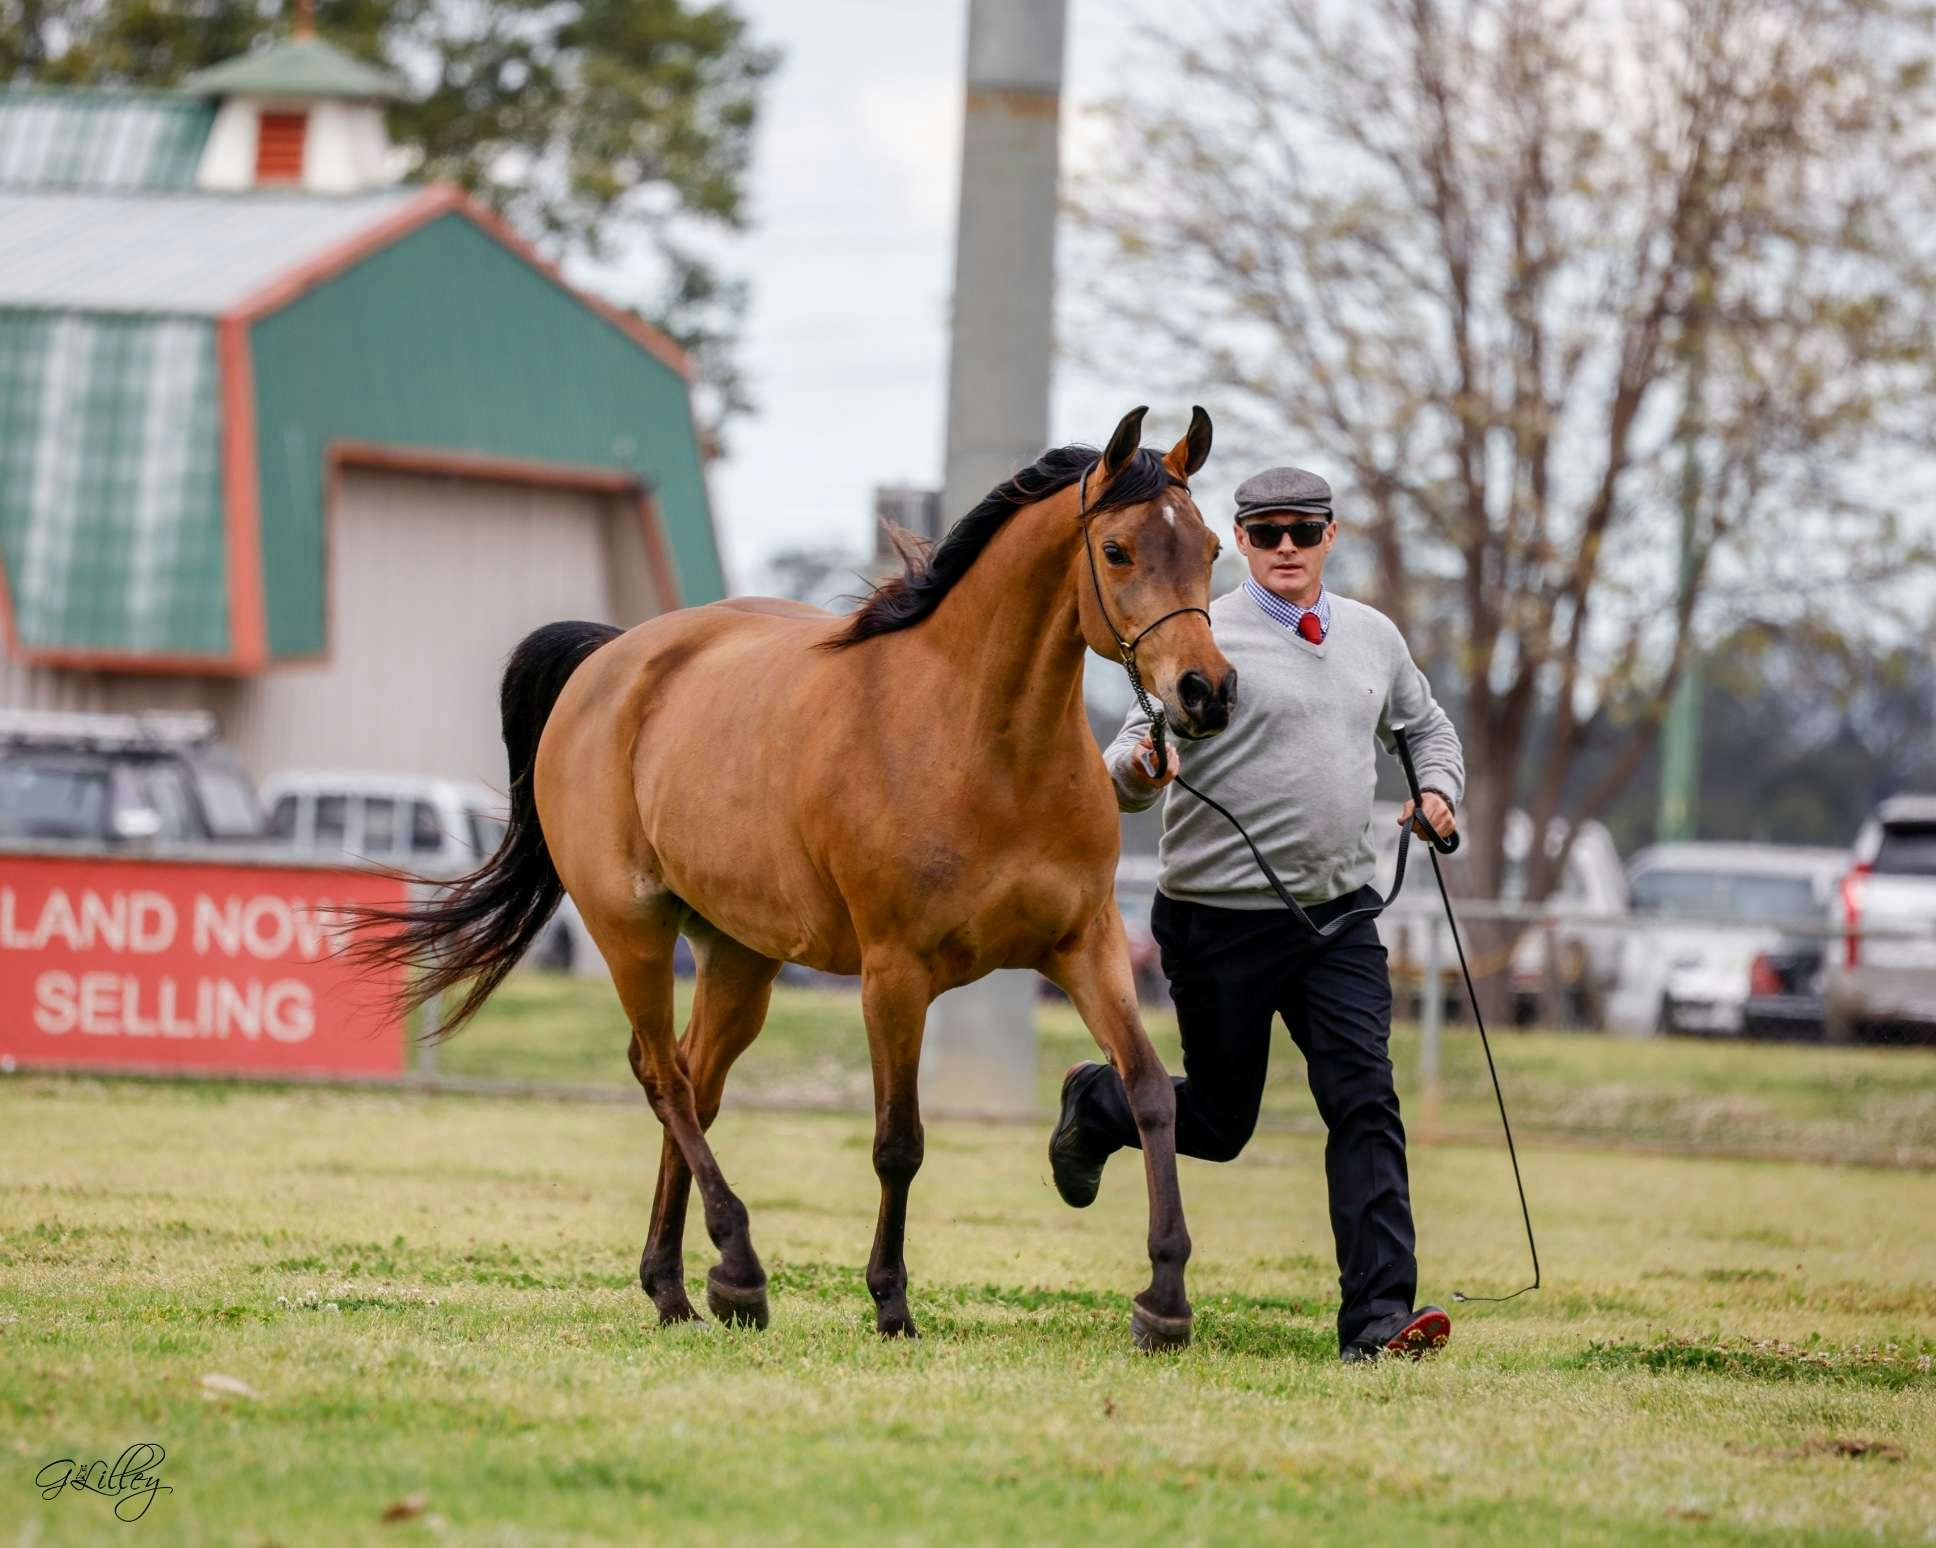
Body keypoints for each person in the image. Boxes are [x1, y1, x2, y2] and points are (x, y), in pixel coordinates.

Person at [1050, 466, 1466, 1363]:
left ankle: (1379, 1322)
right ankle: (1097, 1103)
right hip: (1217, 923)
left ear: (1329, 537)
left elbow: (1426, 727)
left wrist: (1437, 789)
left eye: (1302, 532)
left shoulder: (1372, 637)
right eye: (1267, 532)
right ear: (1238, 541)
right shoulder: (1198, 632)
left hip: (1340, 917)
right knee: (1222, 1125)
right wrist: (1139, 772)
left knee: (1364, 1100)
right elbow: (1126, 760)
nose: (1286, 548)